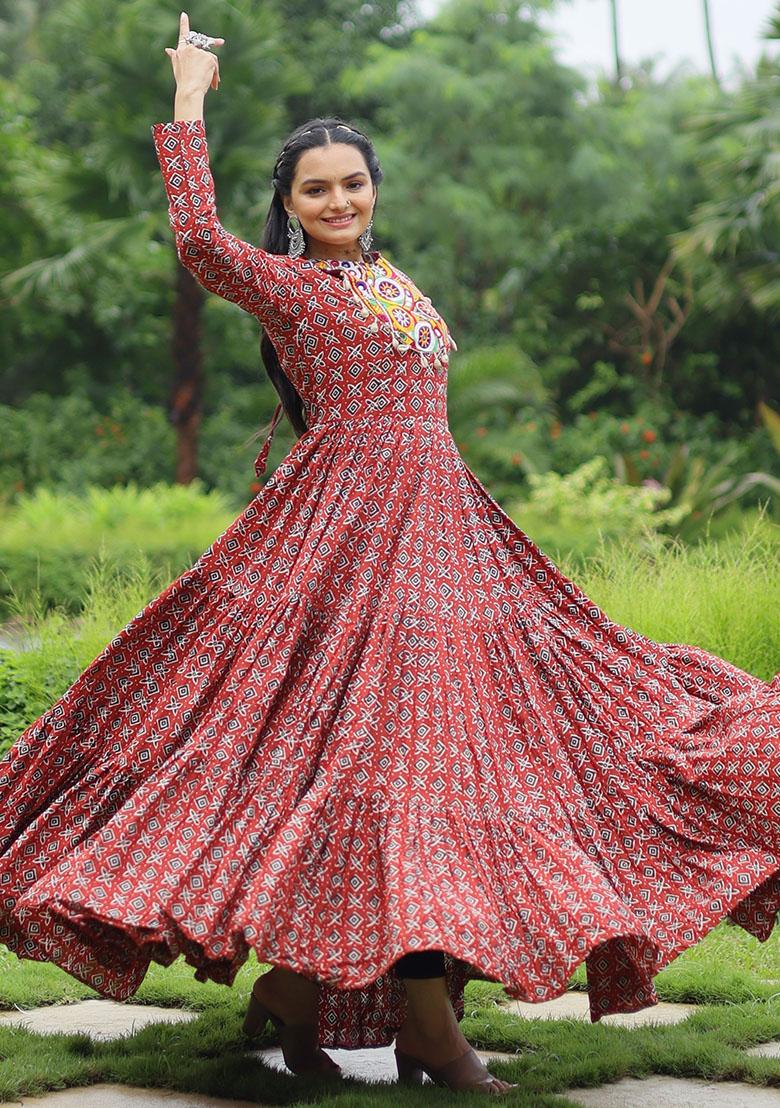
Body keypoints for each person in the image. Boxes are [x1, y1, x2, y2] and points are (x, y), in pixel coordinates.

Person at [1, 8, 779, 1098]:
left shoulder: (386, 275)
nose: (337, 201)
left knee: (493, 754)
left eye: (352, 185)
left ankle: (296, 995)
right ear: (289, 204)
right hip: (350, 543)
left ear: (374, 191)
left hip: (449, 537)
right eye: (315, 189)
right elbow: (196, 243)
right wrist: (188, 101)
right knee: (399, 766)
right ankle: (425, 1030)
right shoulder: (294, 288)